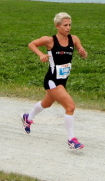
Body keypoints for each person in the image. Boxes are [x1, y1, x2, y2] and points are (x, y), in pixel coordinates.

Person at [22, 12, 88, 150]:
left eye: (69, 25)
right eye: (65, 25)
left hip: (63, 80)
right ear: (57, 26)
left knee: (46, 104)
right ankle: (71, 140)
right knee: (70, 107)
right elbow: (32, 44)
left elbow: (84, 54)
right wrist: (41, 54)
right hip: (52, 80)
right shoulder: (49, 40)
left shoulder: (74, 39)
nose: (68, 28)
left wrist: (83, 54)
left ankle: (28, 117)